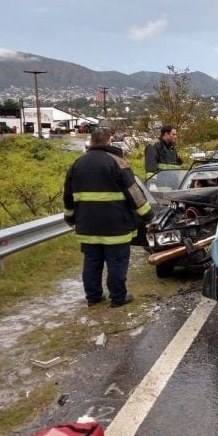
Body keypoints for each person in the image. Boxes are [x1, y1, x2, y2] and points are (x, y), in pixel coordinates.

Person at [63, 127, 154, 308]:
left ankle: (94, 297)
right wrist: (148, 215)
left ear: (91, 142)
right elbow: (134, 193)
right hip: (115, 226)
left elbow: (68, 197)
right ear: (109, 142)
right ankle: (118, 297)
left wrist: (70, 219)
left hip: (88, 227)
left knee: (91, 263)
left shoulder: (77, 164)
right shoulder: (118, 163)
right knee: (117, 262)